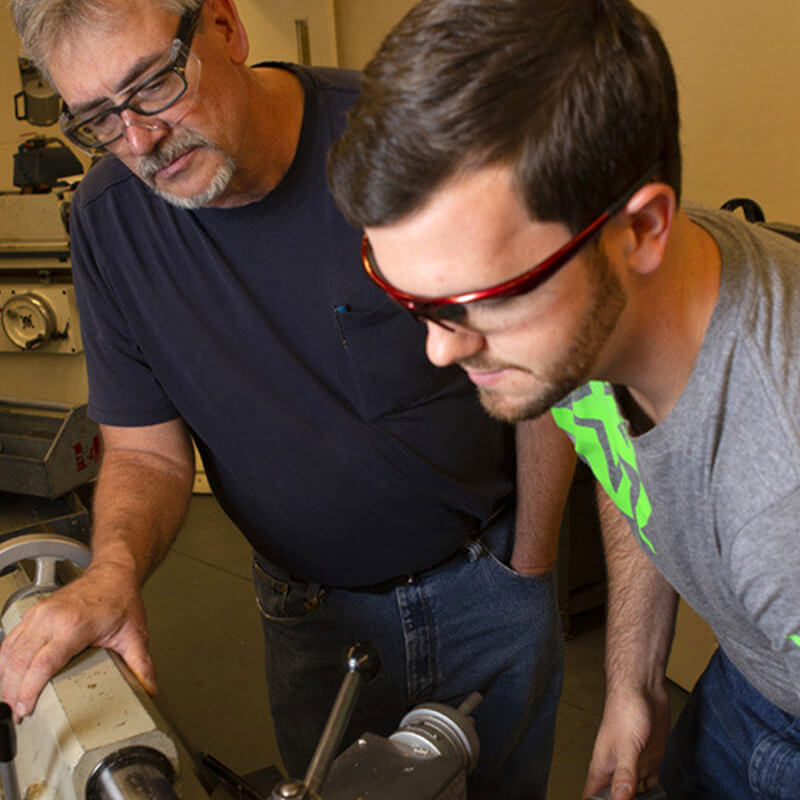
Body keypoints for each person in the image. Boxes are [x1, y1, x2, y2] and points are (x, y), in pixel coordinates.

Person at [1, 1, 572, 797]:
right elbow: (143, 449)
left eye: (155, 84)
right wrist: (112, 572)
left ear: (227, 30)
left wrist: (528, 568)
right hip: (311, 621)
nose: (140, 141)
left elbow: (549, 374)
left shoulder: (409, 141)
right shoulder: (108, 225)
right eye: (98, 117)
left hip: (486, 585)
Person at [327, 0, 800, 799]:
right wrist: (633, 681)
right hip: (751, 673)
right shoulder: (600, 313)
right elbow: (638, 467)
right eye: (412, 298)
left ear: (643, 228)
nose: (441, 347)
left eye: (486, 298)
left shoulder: (780, 503)